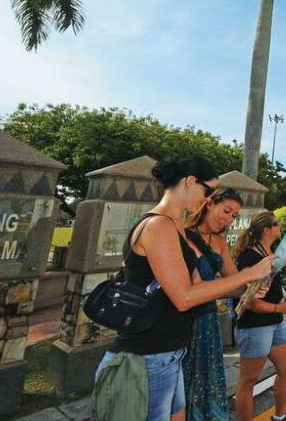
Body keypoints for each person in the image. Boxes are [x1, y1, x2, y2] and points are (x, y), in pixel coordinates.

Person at [94, 157, 273, 421]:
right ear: (190, 182)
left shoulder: (174, 226)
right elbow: (184, 297)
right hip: (148, 357)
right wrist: (249, 273)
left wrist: (247, 288)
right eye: (208, 191)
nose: (207, 199)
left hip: (169, 354)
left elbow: (201, 287)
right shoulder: (159, 225)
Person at [182, 187, 248, 421]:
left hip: (210, 324)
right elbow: (186, 290)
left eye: (233, 216)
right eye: (226, 210)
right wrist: (240, 280)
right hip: (186, 323)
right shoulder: (183, 236)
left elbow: (235, 283)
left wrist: (254, 282)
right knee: (184, 388)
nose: (228, 218)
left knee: (209, 385)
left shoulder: (219, 241)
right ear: (209, 203)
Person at [233, 211, 286, 421]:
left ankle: (280, 417)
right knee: (248, 381)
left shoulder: (270, 252)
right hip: (255, 325)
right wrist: (277, 309)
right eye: (277, 224)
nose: (280, 227)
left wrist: (281, 308)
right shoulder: (250, 257)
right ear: (266, 229)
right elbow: (249, 301)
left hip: (275, 322)